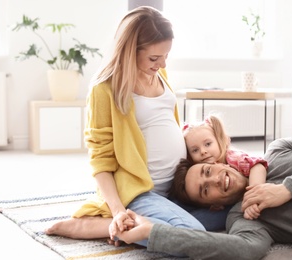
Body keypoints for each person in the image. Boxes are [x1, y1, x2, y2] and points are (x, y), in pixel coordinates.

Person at [45, 6, 229, 247]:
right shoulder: (105, 89)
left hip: (174, 187)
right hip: (140, 192)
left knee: (230, 210)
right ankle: (104, 225)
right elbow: (100, 158)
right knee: (192, 235)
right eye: (154, 58)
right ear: (130, 51)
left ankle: (140, 225)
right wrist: (118, 209)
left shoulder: (160, 75)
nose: (162, 64)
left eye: (166, 56)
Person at [114, 133, 292, 259]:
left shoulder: (278, 150)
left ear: (214, 162)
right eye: (206, 190)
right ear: (213, 206)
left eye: (207, 171)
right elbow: (245, 249)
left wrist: (287, 190)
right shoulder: (243, 217)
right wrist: (151, 232)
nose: (214, 179)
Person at [175, 114, 267, 219]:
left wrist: (253, 196)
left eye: (208, 144)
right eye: (195, 150)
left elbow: (257, 166)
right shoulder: (194, 174)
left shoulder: (233, 157)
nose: (203, 152)